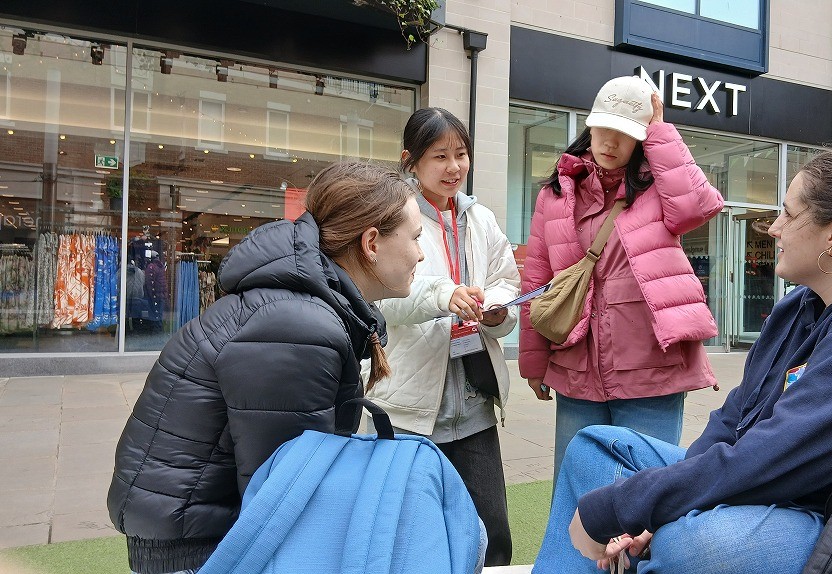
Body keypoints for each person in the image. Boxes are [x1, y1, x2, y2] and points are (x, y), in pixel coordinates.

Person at [533, 149, 832, 574]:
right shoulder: (801, 307)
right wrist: (658, 506)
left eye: (788, 213)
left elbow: (771, 459)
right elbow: (735, 420)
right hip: (797, 491)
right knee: (594, 448)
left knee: (697, 543)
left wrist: (628, 510)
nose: (773, 228)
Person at [107, 161, 424, 574]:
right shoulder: (299, 323)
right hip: (197, 541)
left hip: (195, 524)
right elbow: (282, 495)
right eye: (416, 237)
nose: (421, 253)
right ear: (371, 243)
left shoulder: (304, 308)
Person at [518, 75, 724, 480]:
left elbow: (697, 207)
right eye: (603, 129)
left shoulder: (657, 187)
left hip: (651, 366)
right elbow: (539, 282)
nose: (610, 143)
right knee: (577, 489)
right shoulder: (557, 194)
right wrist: (534, 363)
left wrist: (661, 132)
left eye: (626, 133)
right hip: (576, 363)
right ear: (590, 126)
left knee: (643, 490)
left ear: (641, 139)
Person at [364, 107, 521, 566]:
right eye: (440, 156)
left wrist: (496, 312)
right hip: (410, 410)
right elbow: (382, 298)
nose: (454, 167)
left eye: (461, 154)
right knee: (411, 536)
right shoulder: (392, 218)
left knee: (493, 537)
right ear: (410, 160)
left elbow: (507, 283)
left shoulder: (481, 219)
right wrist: (443, 295)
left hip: (475, 405)